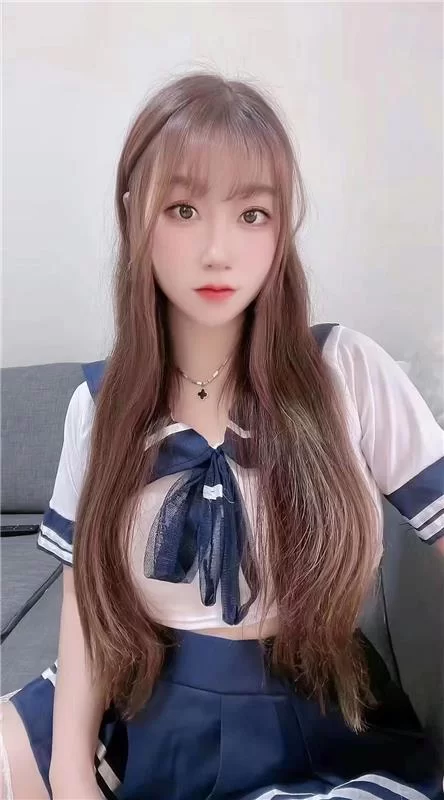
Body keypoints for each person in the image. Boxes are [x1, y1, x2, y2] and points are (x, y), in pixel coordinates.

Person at [1, 70, 443, 800]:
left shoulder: (346, 372)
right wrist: (69, 770)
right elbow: (86, 601)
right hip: (141, 707)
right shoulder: (100, 407)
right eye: (183, 209)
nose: (217, 251)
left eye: (252, 214)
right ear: (134, 215)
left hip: (319, 719)